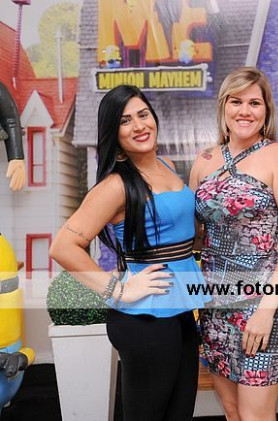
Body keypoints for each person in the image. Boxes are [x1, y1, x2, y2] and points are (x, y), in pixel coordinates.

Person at [50, 85, 210, 421]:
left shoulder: (166, 165)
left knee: (180, 412)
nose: (139, 126)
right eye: (125, 121)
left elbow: (179, 234)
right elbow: (63, 246)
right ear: (114, 132)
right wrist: (118, 290)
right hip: (145, 317)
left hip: (181, 308)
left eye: (143, 114)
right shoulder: (116, 185)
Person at [190, 67, 278, 421]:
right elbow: (193, 233)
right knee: (232, 411)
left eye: (254, 103)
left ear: (266, 110)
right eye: (236, 101)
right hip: (215, 305)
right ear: (223, 106)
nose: (245, 110)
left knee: (256, 415)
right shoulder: (204, 160)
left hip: (263, 305)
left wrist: (266, 310)